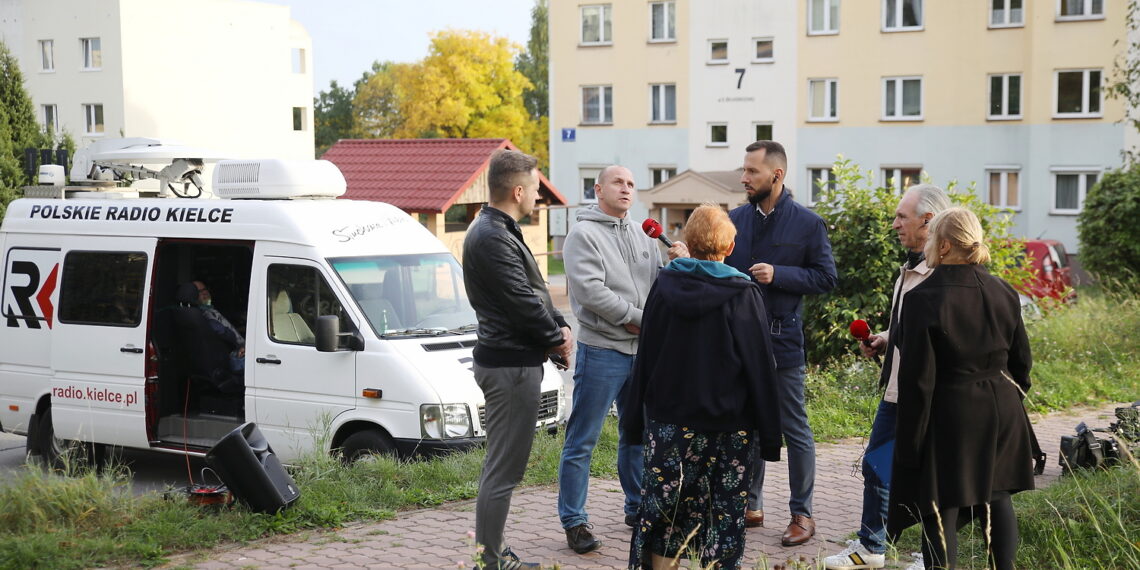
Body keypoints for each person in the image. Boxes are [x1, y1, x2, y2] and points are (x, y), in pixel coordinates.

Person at [621, 203, 782, 570]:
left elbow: (645, 355)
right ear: (729, 249)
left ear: (688, 244)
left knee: (666, 514)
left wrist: (632, 421)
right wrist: (770, 435)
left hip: (669, 425)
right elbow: (761, 367)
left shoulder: (664, 287)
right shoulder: (743, 294)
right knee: (723, 518)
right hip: (728, 429)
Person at [887, 207, 1037, 570]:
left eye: (932, 238)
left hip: (951, 412)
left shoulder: (924, 297)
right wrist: (1007, 400)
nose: (927, 247)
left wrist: (910, 445)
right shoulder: (1003, 289)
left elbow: (918, 380)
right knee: (997, 497)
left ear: (947, 245)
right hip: (1002, 408)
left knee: (940, 507)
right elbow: (1022, 362)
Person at [822, 184, 950, 570]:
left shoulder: (944, 276)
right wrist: (886, 338)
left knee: (931, 477)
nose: (894, 224)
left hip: (930, 397)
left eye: (901, 217)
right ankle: (871, 547)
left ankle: (932, 557)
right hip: (896, 392)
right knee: (877, 466)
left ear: (927, 221)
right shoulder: (908, 270)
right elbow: (912, 327)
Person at [557, 165, 681, 554]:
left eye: (631, 183)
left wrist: (677, 263)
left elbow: (658, 283)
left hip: (641, 353)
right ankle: (574, 521)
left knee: (636, 435)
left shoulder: (642, 233)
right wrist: (638, 319)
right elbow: (591, 292)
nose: (626, 188)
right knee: (583, 440)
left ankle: (636, 506)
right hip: (602, 351)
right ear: (598, 190)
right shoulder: (582, 235)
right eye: (618, 182)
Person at [462, 149, 573, 570]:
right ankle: (489, 561)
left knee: (501, 468)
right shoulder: (491, 234)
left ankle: (491, 552)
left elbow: (535, 288)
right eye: (536, 189)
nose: (538, 199)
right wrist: (556, 339)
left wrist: (558, 325)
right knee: (503, 472)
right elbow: (522, 303)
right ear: (518, 189)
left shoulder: (498, 228)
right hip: (509, 366)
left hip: (513, 361)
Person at [723, 140, 837, 546]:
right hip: (739, 345)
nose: (744, 178)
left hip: (783, 343)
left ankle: (801, 514)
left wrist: (780, 274)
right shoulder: (734, 220)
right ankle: (750, 506)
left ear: (777, 174)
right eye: (744, 170)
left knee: (795, 429)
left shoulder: (808, 224)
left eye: (752, 171)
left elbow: (826, 278)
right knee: (746, 426)